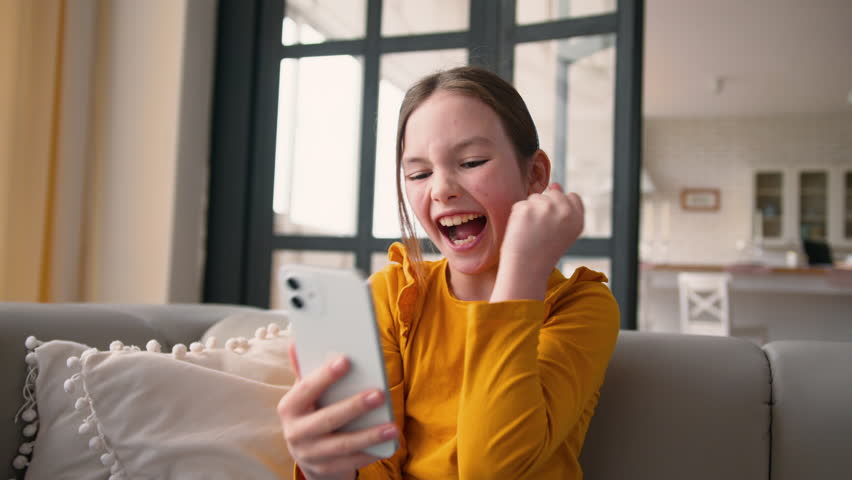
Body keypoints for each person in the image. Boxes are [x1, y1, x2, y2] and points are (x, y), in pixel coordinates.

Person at [277, 66, 620, 480]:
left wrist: (522, 270)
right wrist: (325, 469)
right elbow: (373, 466)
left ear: (535, 175)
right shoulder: (392, 295)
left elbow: (492, 468)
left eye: (472, 161)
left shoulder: (583, 306)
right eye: (419, 173)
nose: (441, 189)